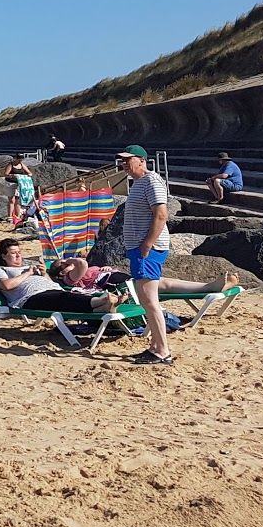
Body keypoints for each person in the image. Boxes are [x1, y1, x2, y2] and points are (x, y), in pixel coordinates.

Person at [119, 144, 172, 366]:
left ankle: (162, 351)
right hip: (139, 248)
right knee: (144, 299)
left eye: (128, 159)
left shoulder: (151, 181)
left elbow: (161, 215)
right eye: (122, 160)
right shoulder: (139, 183)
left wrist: (147, 245)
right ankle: (155, 346)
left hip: (148, 249)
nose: (124, 164)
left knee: (150, 300)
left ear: (141, 160)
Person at [0, 237, 128, 315]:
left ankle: (103, 306)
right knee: (63, 298)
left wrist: (44, 274)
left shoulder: (27, 266)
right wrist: (28, 273)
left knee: (66, 296)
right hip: (29, 298)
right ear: (3, 256)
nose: (18, 255)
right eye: (13, 253)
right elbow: (6, 286)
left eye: (19, 252)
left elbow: (50, 283)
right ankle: (103, 302)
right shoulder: (0, 269)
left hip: (51, 290)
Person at [53, 256, 239, 297]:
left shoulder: (73, 273)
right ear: (62, 271)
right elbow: (82, 264)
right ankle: (208, 287)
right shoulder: (70, 277)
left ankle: (208, 286)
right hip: (116, 285)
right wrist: (70, 260)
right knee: (164, 284)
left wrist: (104, 268)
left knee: (164, 283)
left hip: (116, 279)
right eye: (65, 263)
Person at [4, 155, 36, 227]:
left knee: (18, 200)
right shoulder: (11, 165)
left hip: (19, 184)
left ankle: (17, 216)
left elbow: (29, 172)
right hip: (11, 183)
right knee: (11, 200)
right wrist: (12, 175)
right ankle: (10, 217)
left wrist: (29, 175)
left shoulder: (22, 165)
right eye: (19, 159)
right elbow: (6, 174)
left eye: (21, 159)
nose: (20, 161)